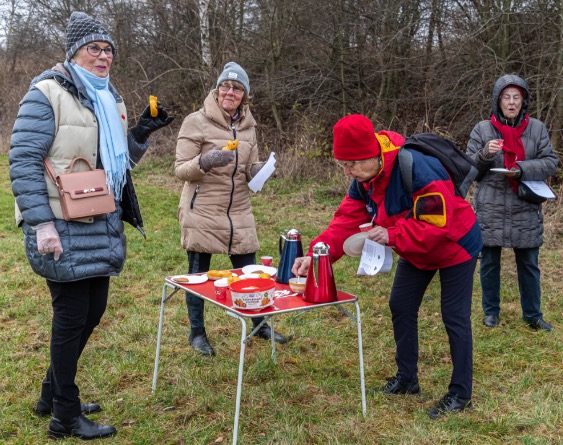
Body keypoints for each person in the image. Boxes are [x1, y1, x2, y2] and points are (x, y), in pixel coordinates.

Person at [9, 12, 174, 440]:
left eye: (108, 50)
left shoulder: (109, 97)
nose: (103, 56)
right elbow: (23, 159)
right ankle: (64, 413)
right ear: (74, 53)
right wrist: (41, 223)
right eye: (94, 49)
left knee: (93, 310)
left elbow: (116, 163)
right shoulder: (47, 93)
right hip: (60, 222)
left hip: (99, 218)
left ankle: (51, 391)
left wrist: (139, 131)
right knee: (70, 315)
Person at [292, 115, 483, 419]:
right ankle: (407, 379)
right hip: (415, 249)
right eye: (342, 164)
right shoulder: (364, 179)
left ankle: (461, 393)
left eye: (351, 164)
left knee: (454, 316)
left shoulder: (419, 169)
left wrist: (392, 234)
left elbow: (437, 225)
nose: (347, 171)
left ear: (371, 153)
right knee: (401, 305)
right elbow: (345, 222)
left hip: (455, 246)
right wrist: (319, 253)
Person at [174, 62, 287, 356]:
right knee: (199, 277)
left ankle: (259, 324)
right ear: (217, 89)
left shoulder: (249, 126)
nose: (230, 92)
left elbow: (249, 168)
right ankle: (197, 333)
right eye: (226, 86)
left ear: (244, 95)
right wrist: (205, 161)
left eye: (237, 88)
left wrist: (260, 170)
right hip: (203, 209)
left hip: (238, 209)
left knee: (250, 272)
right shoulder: (195, 122)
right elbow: (180, 170)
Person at [467, 74, 559, 331]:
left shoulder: (537, 128)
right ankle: (491, 313)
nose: (511, 102)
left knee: (529, 263)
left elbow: (550, 161)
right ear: (498, 101)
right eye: (506, 97)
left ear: (523, 101)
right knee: (489, 262)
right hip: (491, 205)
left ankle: (533, 316)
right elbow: (468, 167)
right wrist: (485, 154)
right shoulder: (482, 129)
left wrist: (521, 168)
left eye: (516, 97)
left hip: (525, 204)